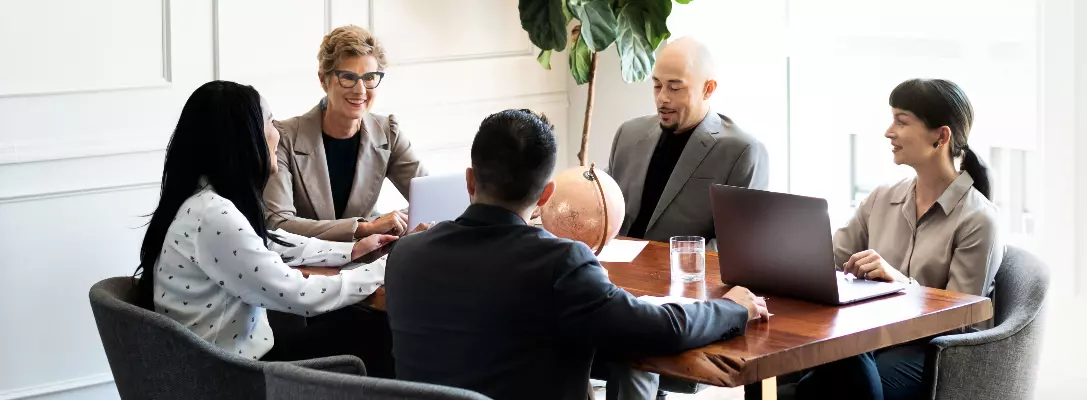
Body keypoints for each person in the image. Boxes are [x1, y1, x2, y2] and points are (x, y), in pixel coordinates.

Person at [384, 109, 769, 400]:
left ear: (470, 179)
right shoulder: (558, 263)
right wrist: (735, 306)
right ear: (547, 194)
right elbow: (660, 328)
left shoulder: (406, 255)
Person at [132, 80, 398, 378]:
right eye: (270, 121)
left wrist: (352, 250)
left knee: (359, 325)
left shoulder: (203, 200)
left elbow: (270, 243)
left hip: (221, 362)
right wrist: (384, 269)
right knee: (376, 330)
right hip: (233, 377)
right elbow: (299, 294)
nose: (278, 132)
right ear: (244, 137)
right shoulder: (213, 215)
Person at [759, 78, 1003, 400]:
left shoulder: (978, 219)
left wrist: (900, 283)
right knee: (814, 359)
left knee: (826, 375)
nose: (889, 132)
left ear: (940, 137)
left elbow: (959, 318)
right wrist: (780, 255)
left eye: (901, 121)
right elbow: (828, 262)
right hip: (872, 342)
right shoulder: (881, 198)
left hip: (931, 353)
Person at [605, 36, 769, 251]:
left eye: (675, 88)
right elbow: (603, 204)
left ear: (708, 89)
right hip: (613, 272)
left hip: (686, 277)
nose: (662, 98)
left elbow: (736, 244)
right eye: (657, 86)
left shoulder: (742, 152)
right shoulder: (628, 133)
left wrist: (679, 270)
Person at [266, 25, 427, 241]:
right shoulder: (284, 136)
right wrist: (364, 228)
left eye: (370, 77)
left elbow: (430, 199)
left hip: (368, 262)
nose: (360, 90)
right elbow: (278, 223)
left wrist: (395, 222)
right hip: (308, 266)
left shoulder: (388, 131)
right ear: (324, 80)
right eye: (348, 77)